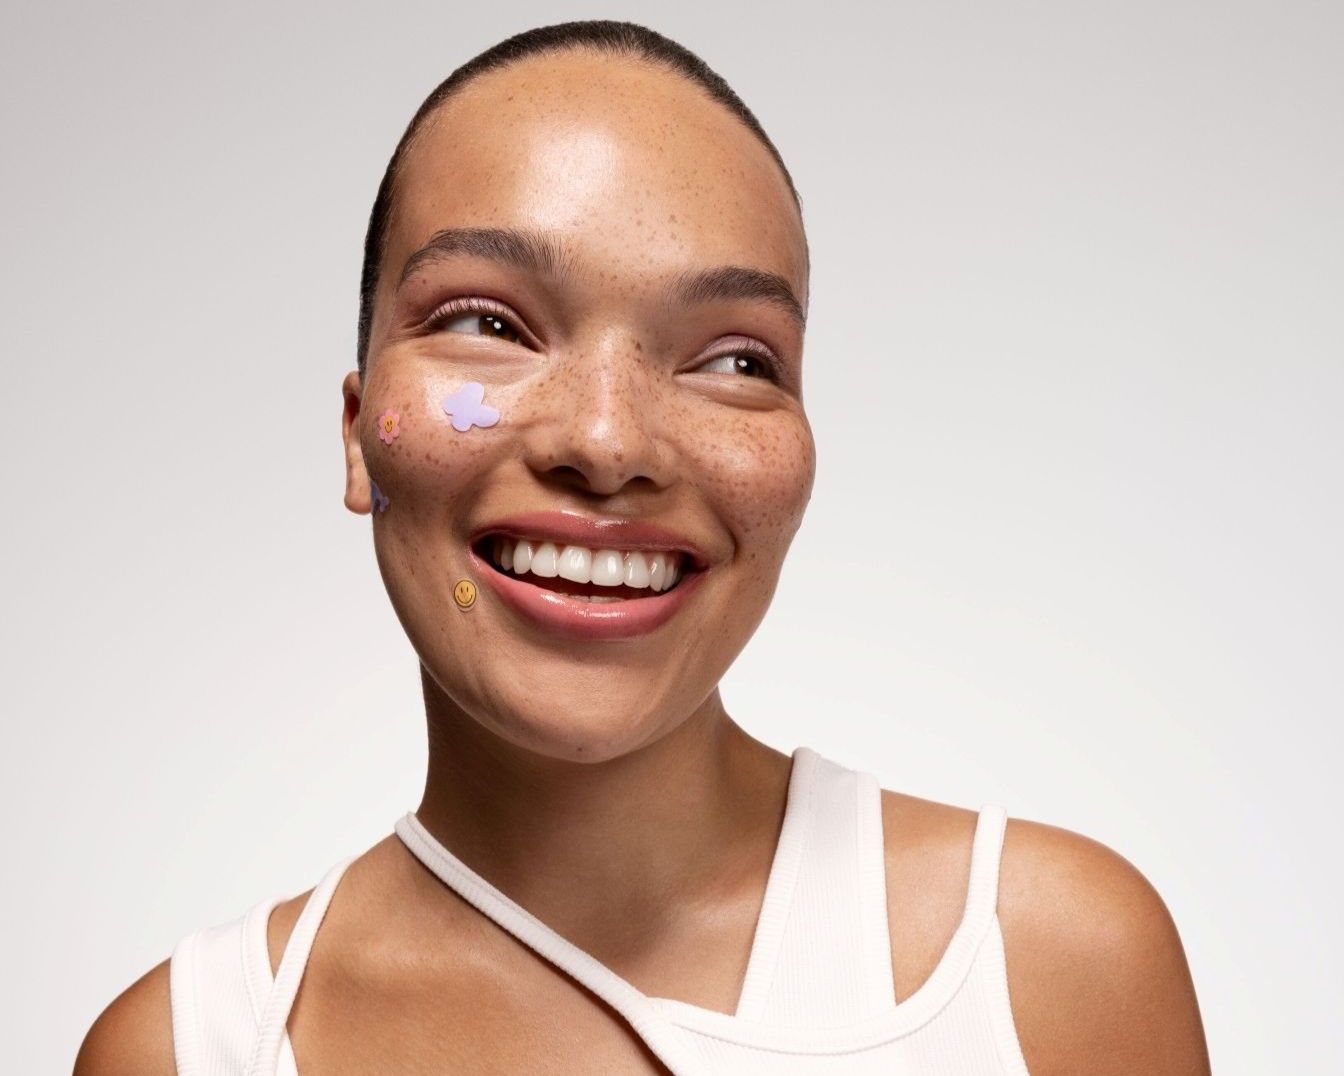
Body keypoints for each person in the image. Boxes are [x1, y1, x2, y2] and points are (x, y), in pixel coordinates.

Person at [75, 20, 1210, 1075]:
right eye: (485, 323)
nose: (608, 443)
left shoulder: (1045, 966)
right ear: (360, 432)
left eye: (733, 358)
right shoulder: (190, 1043)